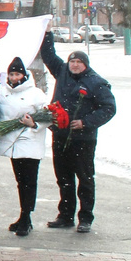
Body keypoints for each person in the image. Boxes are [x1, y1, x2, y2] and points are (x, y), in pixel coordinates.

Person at [40, 33, 116, 233]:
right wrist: (47, 33)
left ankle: (85, 217)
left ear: (86, 64)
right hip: (61, 135)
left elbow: (108, 108)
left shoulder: (96, 82)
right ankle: (65, 215)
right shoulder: (63, 71)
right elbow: (48, 55)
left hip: (83, 139)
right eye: (72, 61)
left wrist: (85, 122)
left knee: (84, 178)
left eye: (78, 62)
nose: (74, 65)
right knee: (63, 178)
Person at [0, 57, 48, 236]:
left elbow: (47, 116)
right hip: (13, 142)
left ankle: (26, 217)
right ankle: (24, 215)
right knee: (20, 182)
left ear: (24, 75)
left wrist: (33, 124)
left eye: (17, 74)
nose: (14, 77)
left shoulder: (36, 93)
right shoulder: (2, 92)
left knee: (29, 181)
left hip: (30, 141)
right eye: (11, 74)